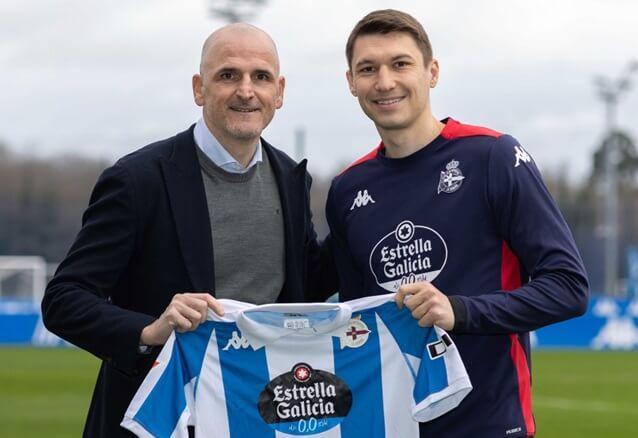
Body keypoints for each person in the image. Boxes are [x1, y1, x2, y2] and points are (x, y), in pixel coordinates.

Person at [42, 23, 335, 438]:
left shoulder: (290, 178)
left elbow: (306, 286)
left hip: (259, 417)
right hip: (159, 420)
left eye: (261, 77)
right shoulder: (137, 179)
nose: (246, 91)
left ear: (280, 92)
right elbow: (63, 299)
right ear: (199, 89)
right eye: (228, 75)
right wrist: (149, 331)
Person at [326, 9, 589, 437]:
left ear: (432, 72)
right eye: (368, 69)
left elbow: (568, 288)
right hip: (391, 426)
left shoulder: (493, 157)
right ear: (351, 82)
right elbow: (357, 323)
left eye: (401, 64)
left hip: (490, 424)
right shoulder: (347, 190)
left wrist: (460, 310)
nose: (385, 81)